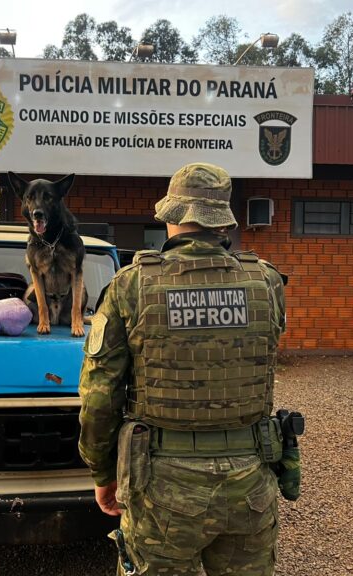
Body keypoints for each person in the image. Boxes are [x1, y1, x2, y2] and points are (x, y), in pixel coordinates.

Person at [79, 162, 289, 576]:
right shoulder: (266, 281)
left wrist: (102, 472)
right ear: (221, 221)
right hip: (250, 480)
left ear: (173, 216)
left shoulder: (130, 285)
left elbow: (100, 396)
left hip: (161, 486)